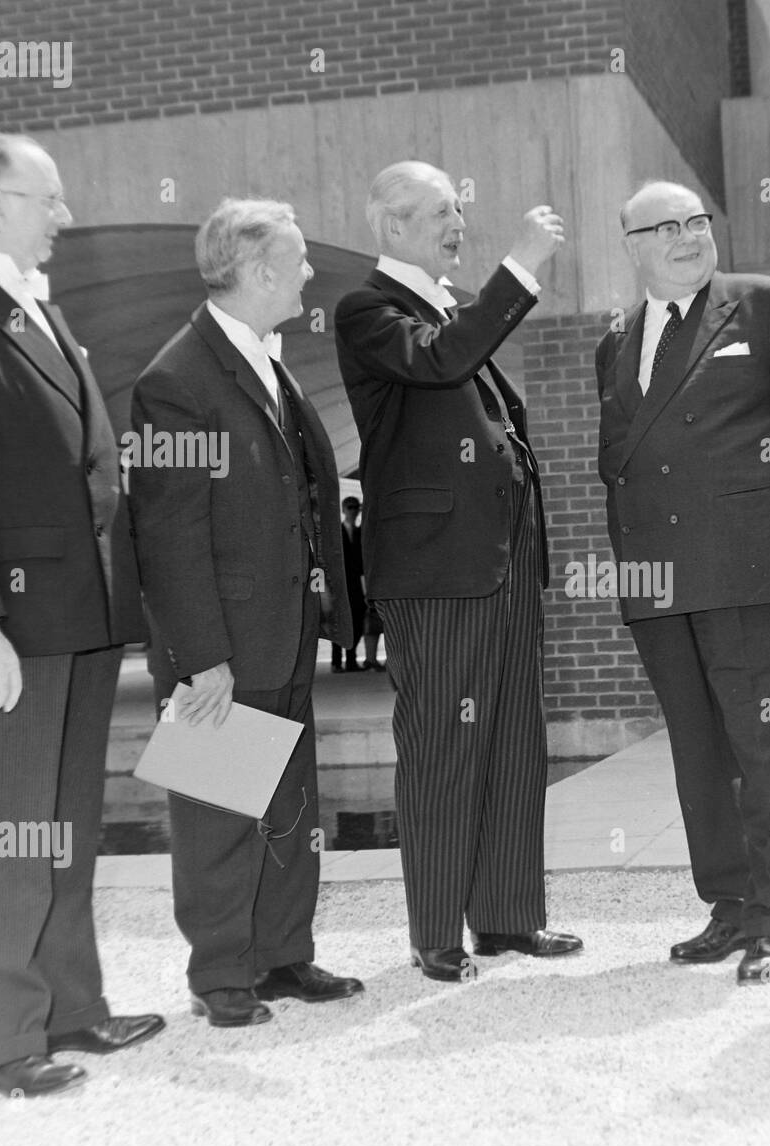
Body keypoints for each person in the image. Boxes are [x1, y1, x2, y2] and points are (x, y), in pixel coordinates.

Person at [596, 179, 770, 983]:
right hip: (660, 584)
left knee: (769, 747)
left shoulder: (764, 305)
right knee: (703, 753)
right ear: (634, 246)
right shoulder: (615, 340)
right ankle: (731, 906)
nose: (686, 237)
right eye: (664, 228)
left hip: (756, 575)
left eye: (697, 222)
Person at [335, 161, 581, 982]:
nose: (458, 224)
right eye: (442, 211)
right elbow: (440, 362)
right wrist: (518, 270)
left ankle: (508, 919)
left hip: (502, 562)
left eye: (459, 211)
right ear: (395, 225)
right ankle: (436, 932)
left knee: (514, 740)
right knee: (444, 745)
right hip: (436, 571)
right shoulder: (369, 309)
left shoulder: (444, 304)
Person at [129, 198, 363, 1028]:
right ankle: (221, 974)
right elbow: (167, 533)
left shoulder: (267, 359)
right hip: (223, 642)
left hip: (286, 628)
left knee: (289, 798)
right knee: (218, 808)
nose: (308, 275)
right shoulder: (175, 381)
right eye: (298, 263)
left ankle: (280, 954)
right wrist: (201, 658)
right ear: (261, 273)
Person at [0, 132, 163, 1097]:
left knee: (66, 825)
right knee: (7, 830)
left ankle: (73, 1009)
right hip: (9, 623)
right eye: (48, 197)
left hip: (79, 614)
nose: (65, 214)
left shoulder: (37, 309)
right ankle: (0, 1043)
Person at [331, 495, 366, 672]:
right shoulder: (336, 532)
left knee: (357, 621)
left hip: (356, 585)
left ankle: (351, 660)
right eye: (350, 507)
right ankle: (336, 662)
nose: (353, 511)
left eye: (356, 507)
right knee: (338, 622)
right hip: (339, 585)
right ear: (344, 510)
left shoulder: (361, 533)